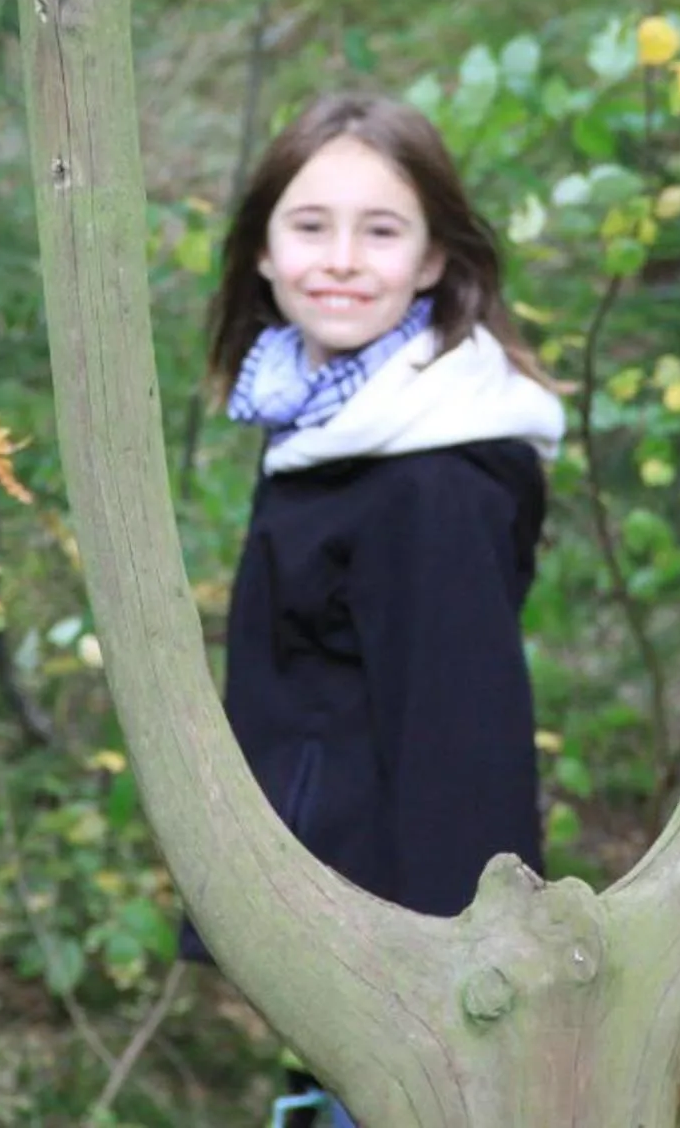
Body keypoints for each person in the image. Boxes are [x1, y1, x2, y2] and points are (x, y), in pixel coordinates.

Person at [178, 92, 566, 1128]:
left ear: (433, 259)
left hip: (402, 969)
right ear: (263, 250)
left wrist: (453, 999)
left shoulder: (429, 472)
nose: (342, 259)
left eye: (382, 230)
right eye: (311, 225)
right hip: (332, 924)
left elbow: (462, 751)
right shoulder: (329, 421)